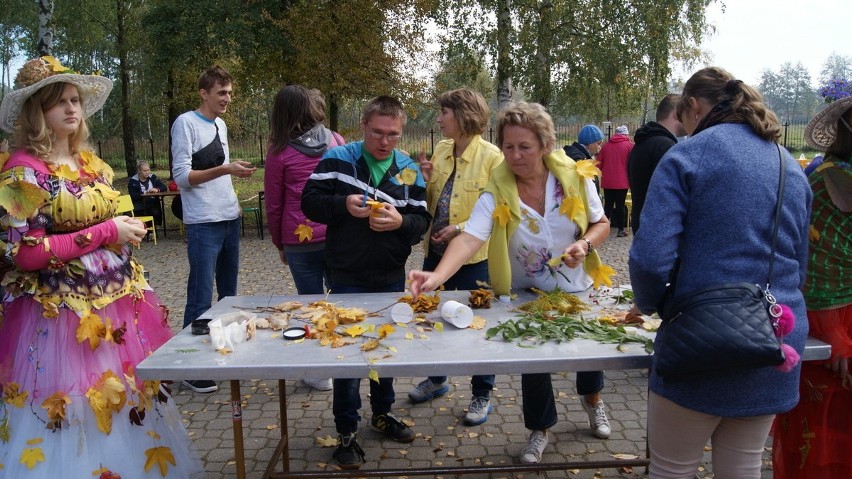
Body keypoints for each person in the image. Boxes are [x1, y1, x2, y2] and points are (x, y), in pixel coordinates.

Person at [0, 56, 203, 477]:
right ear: (37, 112)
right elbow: (26, 254)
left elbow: (104, 215)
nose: (71, 109)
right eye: (59, 102)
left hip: (113, 306)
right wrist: (108, 232)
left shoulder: (89, 163)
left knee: (121, 395)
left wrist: (125, 226)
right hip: (56, 316)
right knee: (71, 401)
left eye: (75, 100)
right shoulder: (22, 170)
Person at [628, 67, 811, 478]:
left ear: (692, 107)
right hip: (775, 338)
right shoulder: (790, 166)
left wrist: (655, 305)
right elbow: (799, 265)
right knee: (743, 465)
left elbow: (649, 259)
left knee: (672, 468)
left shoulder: (688, 155)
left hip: (701, 338)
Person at [408, 102, 616, 464]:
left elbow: (601, 224)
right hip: (528, 291)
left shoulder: (574, 178)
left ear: (546, 145)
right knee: (534, 362)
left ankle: (593, 400)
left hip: (577, 284)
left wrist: (583, 245)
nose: (515, 156)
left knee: (587, 351)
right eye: (508, 146)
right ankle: (539, 429)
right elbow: (472, 236)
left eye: (525, 147)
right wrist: (438, 275)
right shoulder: (499, 186)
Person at [301, 95, 431, 469]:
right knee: (347, 354)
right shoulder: (339, 159)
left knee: (384, 348)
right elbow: (309, 202)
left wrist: (400, 223)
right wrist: (342, 205)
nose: (385, 141)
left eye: (393, 134)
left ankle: (383, 413)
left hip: (390, 274)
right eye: (377, 132)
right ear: (363, 126)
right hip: (345, 274)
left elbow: (420, 220)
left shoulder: (407, 169)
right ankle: (346, 431)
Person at [408, 88, 503, 425]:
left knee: (477, 325)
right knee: (432, 318)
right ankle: (437, 379)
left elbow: (496, 210)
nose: (438, 119)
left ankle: (482, 393)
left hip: (474, 258)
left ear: (462, 115)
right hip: (435, 254)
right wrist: (428, 178)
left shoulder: (493, 157)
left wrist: (460, 227)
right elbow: (436, 197)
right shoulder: (443, 148)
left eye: (443, 113)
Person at [771, 96, 852, 478]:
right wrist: (835, 334)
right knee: (821, 423)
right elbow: (815, 262)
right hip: (829, 314)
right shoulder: (827, 179)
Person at [171, 65, 257, 394]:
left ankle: (223, 351)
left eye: (230, 93)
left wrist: (231, 181)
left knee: (229, 295)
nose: (227, 98)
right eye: (221, 92)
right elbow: (182, 177)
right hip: (203, 221)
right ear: (203, 93)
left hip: (228, 216)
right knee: (200, 297)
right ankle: (190, 366)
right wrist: (226, 168)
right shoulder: (185, 123)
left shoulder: (220, 124)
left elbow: (220, 172)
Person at [265, 84, 344, 392]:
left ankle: (319, 371)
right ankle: (343, 358)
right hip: (336, 234)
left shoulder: (279, 152)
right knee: (338, 299)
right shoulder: (336, 140)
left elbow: (274, 204)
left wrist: (278, 242)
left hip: (299, 242)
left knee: (311, 303)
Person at [626, 94, 685, 234]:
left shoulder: (642, 143)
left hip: (642, 224)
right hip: (659, 231)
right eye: (687, 112)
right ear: (677, 114)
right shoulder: (665, 146)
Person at [597, 124, 632, 237]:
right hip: (622, 182)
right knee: (620, 206)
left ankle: (602, 230)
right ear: (625, 134)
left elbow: (598, 164)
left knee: (607, 205)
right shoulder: (629, 146)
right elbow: (631, 164)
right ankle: (620, 230)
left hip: (608, 181)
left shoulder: (606, 146)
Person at [564, 124, 604, 195]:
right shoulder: (579, 160)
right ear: (589, 143)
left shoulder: (579, 155)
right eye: (598, 143)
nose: (599, 147)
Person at [128, 159, 167, 224]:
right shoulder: (133, 181)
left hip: (152, 202)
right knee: (128, 213)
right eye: (144, 171)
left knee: (155, 212)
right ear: (139, 171)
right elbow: (132, 196)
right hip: (138, 203)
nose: (147, 172)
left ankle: (152, 230)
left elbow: (164, 187)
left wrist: (157, 189)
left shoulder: (153, 177)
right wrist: (143, 193)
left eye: (148, 170)